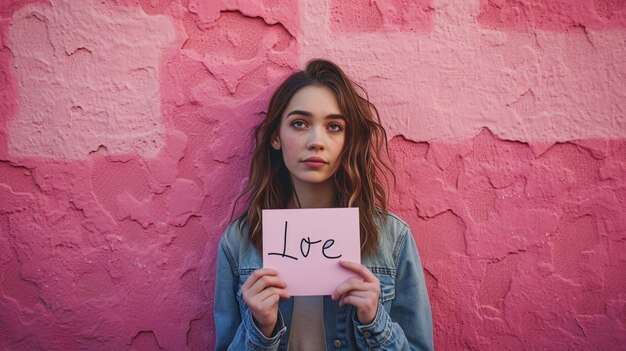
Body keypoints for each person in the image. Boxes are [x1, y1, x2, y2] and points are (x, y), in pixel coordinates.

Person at [213, 59, 433, 350]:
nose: (316, 141)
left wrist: (374, 323)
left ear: (348, 140)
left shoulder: (392, 238)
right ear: (276, 137)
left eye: (334, 126)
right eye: (299, 124)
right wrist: (261, 330)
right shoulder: (239, 243)